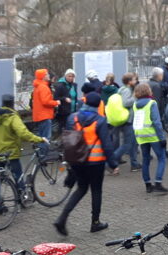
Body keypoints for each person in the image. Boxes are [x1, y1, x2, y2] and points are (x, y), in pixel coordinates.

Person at [53, 92, 116, 236]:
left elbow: (68, 138)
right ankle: (95, 223)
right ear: (98, 105)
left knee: (81, 189)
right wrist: (113, 163)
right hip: (95, 162)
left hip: (77, 161)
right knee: (96, 190)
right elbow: (107, 145)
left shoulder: (72, 117)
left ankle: (62, 218)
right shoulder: (100, 120)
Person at [0, 94, 48, 208]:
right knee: (18, 175)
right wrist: (38, 139)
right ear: (12, 103)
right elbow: (23, 132)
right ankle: (23, 198)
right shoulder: (12, 116)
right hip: (9, 153)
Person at [132, 82, 168, 193]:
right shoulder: (152, 103)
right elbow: (156, 122)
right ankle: (158, 182)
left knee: (146, 160)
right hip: (153, 135)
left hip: (141, 135)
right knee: (161, 158)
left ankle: (148, 185)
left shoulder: (135, 104)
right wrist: (162, 138)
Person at [112, 73, 140, 171]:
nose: (136, 81)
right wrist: (135, 97)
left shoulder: (122, 89)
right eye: (134, 80)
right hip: (127, 120)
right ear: (129, 82)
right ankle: (109, 161)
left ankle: (134, 164)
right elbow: (126, 103)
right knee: (127, 144)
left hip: (125, 119)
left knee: (132, 142)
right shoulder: (126, 90)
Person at [32, 69, 60, 156]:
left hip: (39, 115)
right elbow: (45, 101)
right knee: (45, 137)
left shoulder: (38, 86)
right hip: (45, 115)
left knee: (41, 137)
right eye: (47, 74)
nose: (48, 75)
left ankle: (41, 154)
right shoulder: (43, 87)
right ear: (43, 76)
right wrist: (56, 103)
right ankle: (43, 155)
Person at [53, 69, 78, 134]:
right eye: (69, 76)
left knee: (72, 127)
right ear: (65, 76)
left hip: (73, 110)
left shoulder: (74, 85)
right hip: (64, 111)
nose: (71, 78)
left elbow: (75, 96)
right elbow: (55, 97)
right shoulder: (60, 85)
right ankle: (62, 141)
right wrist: (64, 98)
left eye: (72, 76)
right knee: (64, 128)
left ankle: (71, 141)